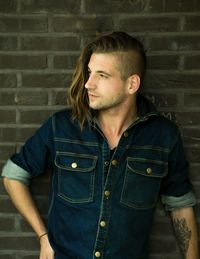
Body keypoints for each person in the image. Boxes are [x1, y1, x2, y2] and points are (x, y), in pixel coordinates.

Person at [1, 31, 199, 259]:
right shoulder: (62, 127)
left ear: (131, 84)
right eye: (89, 73)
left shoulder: (163, 136)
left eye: (102, 75)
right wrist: (43, 236)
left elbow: (181, 206)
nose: (88, 84)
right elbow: (13, 175)